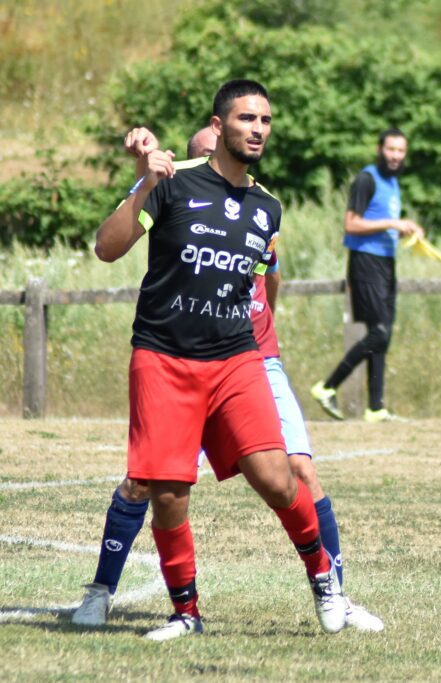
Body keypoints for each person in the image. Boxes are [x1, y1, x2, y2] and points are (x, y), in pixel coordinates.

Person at [73, 126, 382, 633]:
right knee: (149, 484)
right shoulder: (174, 189)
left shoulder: (264, 208)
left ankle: (336, 593)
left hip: (249, 359)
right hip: (172, 362)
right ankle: (110, 592)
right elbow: (113, 242)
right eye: (192, 159)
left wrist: (267, 341)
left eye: (263, 120)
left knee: (291, 472)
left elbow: (270, 276)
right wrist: (142, 179)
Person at [310, 128, 424, 422]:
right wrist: (392, 223)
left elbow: (388, 224)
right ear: (380, 149)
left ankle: (376, 408)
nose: (396, 156)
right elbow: (351, 224)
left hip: (386, 264)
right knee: (379, 333)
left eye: (401, 151)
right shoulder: (366, 179)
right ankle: (327, 386)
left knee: (383, 333)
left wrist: (410, 231)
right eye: (391, 150)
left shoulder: (393, 182)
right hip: (365, 263)